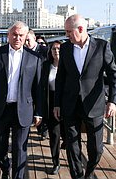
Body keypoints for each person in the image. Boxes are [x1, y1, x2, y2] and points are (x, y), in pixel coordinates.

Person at [54, 14, 116, 179]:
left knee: (96, 148)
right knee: (71, 146)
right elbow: (60, 78)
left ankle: (89, 173)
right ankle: (77, 175)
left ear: (81, 29)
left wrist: (112, 101)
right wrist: (57, 104)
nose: (66, 35)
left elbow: (113, 76)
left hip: (94, 104)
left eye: (69, 31)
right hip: (70, 104)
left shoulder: (102, 47)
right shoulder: (66, 48)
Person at [0, 21, 43, 179]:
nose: (18, 38)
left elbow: (38, 88)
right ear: (8, 35)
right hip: (1, 108)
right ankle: (5, 167)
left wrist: (39, 112)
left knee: (20, 149)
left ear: (26, 36)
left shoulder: (35, 58)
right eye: (14, 34)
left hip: (23, 109)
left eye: (21, 35)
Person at [41, 40, 66, 175]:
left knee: (67, 133)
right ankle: (56, 161)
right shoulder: (46, 66)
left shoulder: (69, 65)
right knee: (54, 134)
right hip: (51, 102)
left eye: (59, 49)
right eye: (53, 49)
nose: (56, 51)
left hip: (66, 102)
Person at [25, 29, 48, 140]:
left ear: (34, 39)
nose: (26, 43)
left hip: (43, 83)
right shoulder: (23, 51)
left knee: (42, 105)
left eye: (28, 40)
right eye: (24, 40)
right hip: (28, 85)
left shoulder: (45, 51)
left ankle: (43, 129)